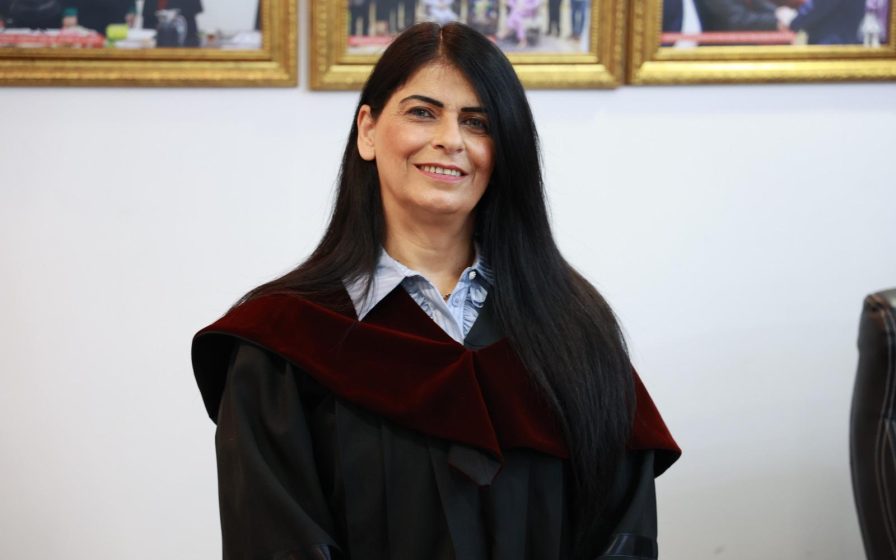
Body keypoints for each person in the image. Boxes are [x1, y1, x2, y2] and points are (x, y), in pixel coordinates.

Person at [191, 22, 680, 560]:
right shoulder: (285, 344)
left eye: (477, 122)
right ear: (368, 131)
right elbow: (274, 541)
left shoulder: (574, 332)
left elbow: (622, 531)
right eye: (423, 112)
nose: (451, 139)